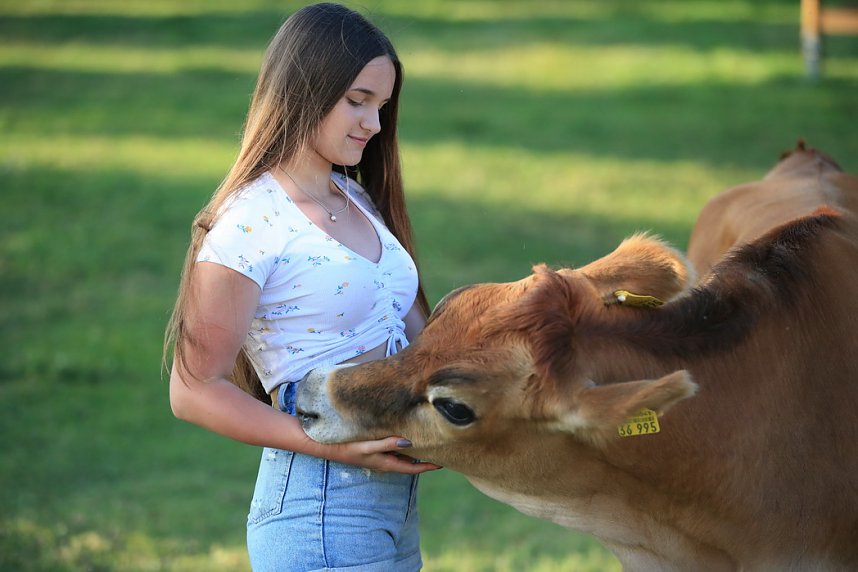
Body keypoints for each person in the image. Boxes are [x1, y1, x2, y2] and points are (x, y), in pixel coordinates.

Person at [163, 3, 440, 570]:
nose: (374, 124)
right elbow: (192, 390)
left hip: (395, 509)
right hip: (320, 509)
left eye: (382, 107)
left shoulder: (359, 201)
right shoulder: (249, 224)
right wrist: (327, 443)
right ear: (306, 89)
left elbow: (422, 343)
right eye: (357, 102)